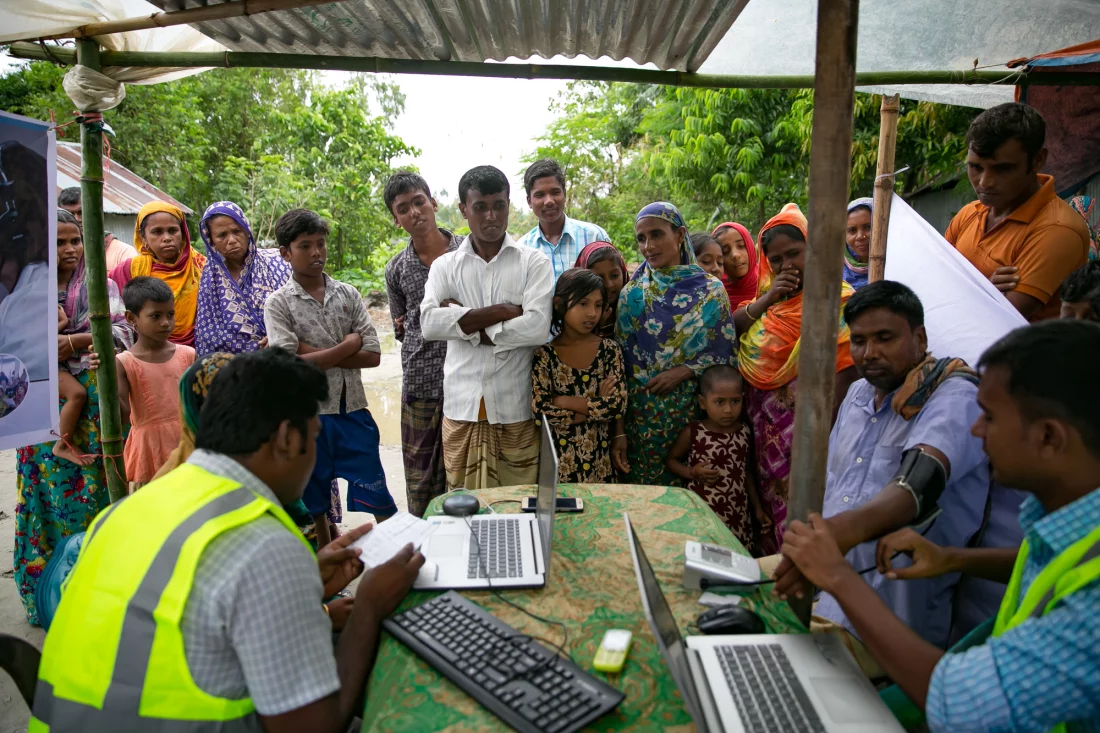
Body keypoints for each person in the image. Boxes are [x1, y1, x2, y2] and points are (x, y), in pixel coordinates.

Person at [31, 348, 426, 732]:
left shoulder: (127, 509)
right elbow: (312, 725)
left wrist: (303, 582)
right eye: (315, 436)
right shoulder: (264, 542)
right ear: (289, 438)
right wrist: (370, 606)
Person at [781, 320, 1100, 733]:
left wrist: (837, 576)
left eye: (990, 417)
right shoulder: (1068, 520)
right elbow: (1047, 563)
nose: (976, 429)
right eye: (858, 340)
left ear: (1048, 438)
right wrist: (950, 558)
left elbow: (958, 702)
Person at [772, 281, 1018, 664]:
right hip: (825, 585)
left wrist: (840, 535)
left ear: (919, 338)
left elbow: (916, 486)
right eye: (858, 341)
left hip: (891, 616)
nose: (869, 353)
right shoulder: (856, 395)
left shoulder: (954, 395)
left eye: (884, 338)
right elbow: (835, 486)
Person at [14, 209, 135, 626]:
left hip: (93, 409)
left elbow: (124, 333)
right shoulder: (23, 286)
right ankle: (46, 595)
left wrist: (74, 340)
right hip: (43, 405)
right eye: (59, 242)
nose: (69, 249)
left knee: (95, 493)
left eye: (75, 241)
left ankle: (98, 592)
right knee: (46, 497)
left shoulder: (101, 286)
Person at [734, 203, 859, 552]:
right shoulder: (767, 305)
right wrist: (772, 295)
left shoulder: (839, 303)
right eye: (776, 259)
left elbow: (847, 376)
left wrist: (823, 436)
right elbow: (730, 334)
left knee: (809, 520)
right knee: (775, 523)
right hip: (766, 441)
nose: (786, 265)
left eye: (795, 253)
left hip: (812, 437)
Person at [265, 209, 394, 544]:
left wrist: (309, 352)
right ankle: (328, 566)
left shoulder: (348, 294)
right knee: (316, 500)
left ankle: (397, 551)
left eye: (320, 243)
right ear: (285, 253)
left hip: (353, 410)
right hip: (309, 417)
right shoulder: (279, 303)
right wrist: (346, 345)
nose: (316, 252)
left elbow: (374, 355)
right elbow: (288, 365)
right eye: (305, 246)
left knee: (376, 488)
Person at [422, 165, 553, 490]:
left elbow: (537, 328)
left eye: (499, 206)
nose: (491, 216)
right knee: (463, 508)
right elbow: (429, 323)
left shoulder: (533, 262)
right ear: (464, 209)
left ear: (510, 206)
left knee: (519, 504)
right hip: (461, 407)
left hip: (515, 408)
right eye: (480, 207)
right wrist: (503, 312)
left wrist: (466, 325)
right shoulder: (445, 266)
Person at [614, 202, 737, 486]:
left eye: (656, 234)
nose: (648, 246)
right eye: (641, 238)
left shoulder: (711, 291)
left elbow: (725, 356)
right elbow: (620, 368)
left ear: (680, 234)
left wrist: (683, 371)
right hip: (641, 424)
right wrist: (619, 431)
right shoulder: (632, 294)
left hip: (694, 419)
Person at [945, 102, 1089, 322]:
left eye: (1002, 169)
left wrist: (967, 289)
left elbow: (1000, 320)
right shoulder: (968, 215)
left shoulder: (1057, 230)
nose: (985, 182)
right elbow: (931, 285)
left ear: (1038, 160)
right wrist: (984, 290)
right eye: (975, 167)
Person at [382, 172, 462, 517]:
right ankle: (423, 545)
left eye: (418, 201)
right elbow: (402, 326)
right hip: (420, 380)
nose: (414, 212)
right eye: (403, 208)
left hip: (468, 379)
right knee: (419, 474)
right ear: (396, 219)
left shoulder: (469, 252)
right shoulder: (396, 268)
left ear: (433, 202)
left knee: (462, 472)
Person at [532, 268, 627, 483]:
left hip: (601, 464)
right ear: (559, 304)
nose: (592, 313)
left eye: (598, 305)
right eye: (583, 304)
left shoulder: (609, 350)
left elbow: (616, 405)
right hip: (559, 466)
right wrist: (596, 404)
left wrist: (563, 400)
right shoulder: (545, 355)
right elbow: (541, 411)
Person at [666, 364, 764, 554]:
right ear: (703, 402)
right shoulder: (694, 432)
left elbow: (747, 472)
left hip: (737, 516)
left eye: (735, 401)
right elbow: (671, 460)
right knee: (704, 557)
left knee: (736, 559)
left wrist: (758, 509)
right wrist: (691, 472)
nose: (728, 410)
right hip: (704, 513)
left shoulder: (744, 432)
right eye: (719, 402)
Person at [117, 277, 196, 489]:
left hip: (186, 446)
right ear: (131, 318)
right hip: (148, 452)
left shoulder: (188, 355)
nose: (165, 322)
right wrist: (103, 377)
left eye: (170, 314)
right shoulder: (124, 362)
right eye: (155, 316)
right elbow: (122, 416)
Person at [195, 200, 291, 356]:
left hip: (282, 357)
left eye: (237, 231)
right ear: (211, 241)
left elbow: (299, 310)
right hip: (234, 369)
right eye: (222, 235)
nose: (231, 240)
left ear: (247, 231)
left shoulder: (278, 263)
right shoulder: (209, 278)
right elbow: (208, 334)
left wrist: (278, 335)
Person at [109, 201, 207, 346]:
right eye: (157, 232)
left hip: (198, 350)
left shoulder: (202, 267)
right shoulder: (130, 269)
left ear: (183, 233)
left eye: (173, 231)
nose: (167, 238)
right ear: (143, 237)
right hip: (146, 353)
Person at [518, 158, 610, 283]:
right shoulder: (522, 249)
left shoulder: (594, 237)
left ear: (564, 194)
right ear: (529, 201)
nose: (549, 201)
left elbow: (612, 286)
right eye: (540, 195)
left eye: (555, 192)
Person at [57, 186, 138, 270]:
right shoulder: (51, 255)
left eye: (81, 212)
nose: (76, 219)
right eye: (69, 214)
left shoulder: (122, 252)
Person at [574, 241, 628, 339]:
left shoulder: (636, 307)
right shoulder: (573, 316)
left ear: (623, 273)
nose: (609, 285)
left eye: (615, 276)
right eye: (599, 278)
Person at [711, 221, 759, 311]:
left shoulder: (770, 281)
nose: (735, 255)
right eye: (725, 251)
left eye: (741, 246)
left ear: (750, 246)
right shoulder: (714, 291)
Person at [843, 197, 873, 289]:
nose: (860, 236)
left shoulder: (896, 264)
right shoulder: (834, 268)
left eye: (868, 227)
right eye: (852, 230)